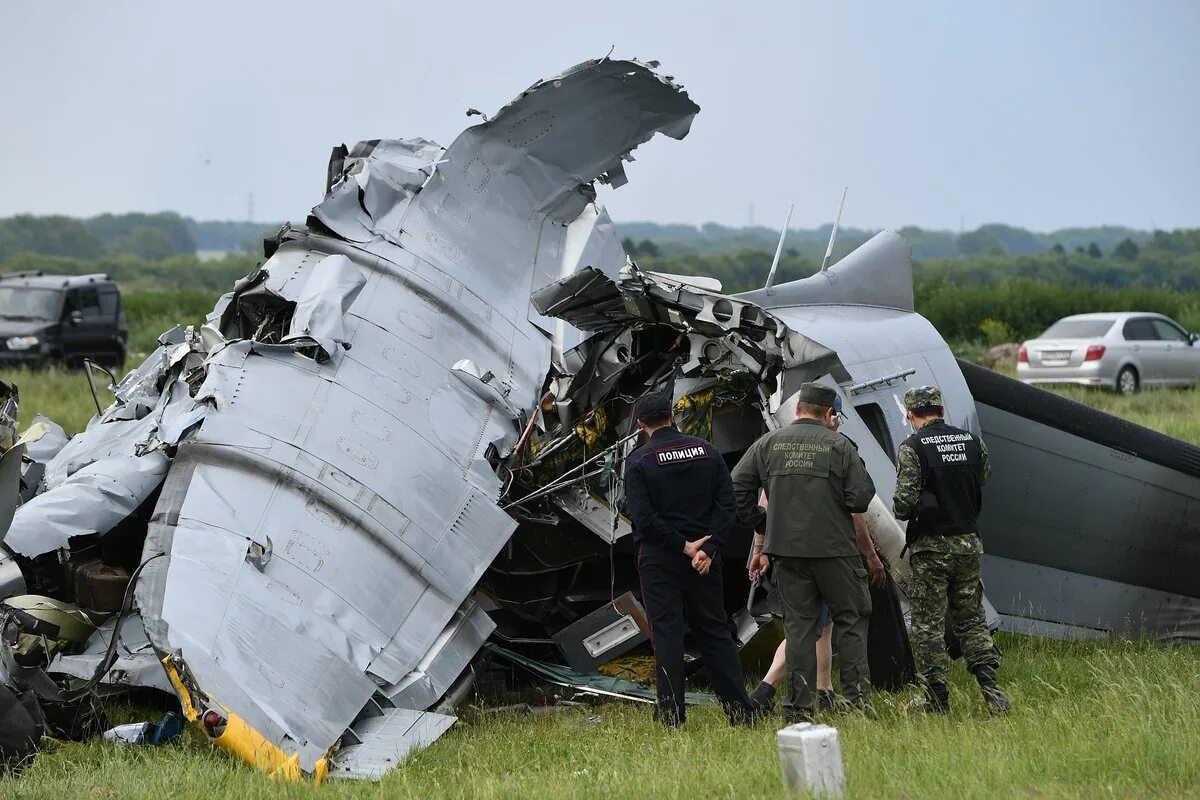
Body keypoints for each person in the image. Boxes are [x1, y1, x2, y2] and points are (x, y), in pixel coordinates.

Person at [731, 382, 883, 721]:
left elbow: (737, 488)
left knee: (799, 627)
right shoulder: (841, 446)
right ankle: (859, 704)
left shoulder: (768, 443)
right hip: (835, 553)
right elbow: (860, 499)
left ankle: (798, 709)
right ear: (829, 413)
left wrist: (763, 524)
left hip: (788, 553)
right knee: (852, 620)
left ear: (799, 408)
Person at [623, 391, 756, 727]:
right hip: (706, 561)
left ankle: (671, 717)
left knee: (667, 634)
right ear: (672, 415)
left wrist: (685, 546)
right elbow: (728, 507)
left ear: (641, 424)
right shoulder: (708, 452)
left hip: (660, 559)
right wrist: (708, 549)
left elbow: (643, 518)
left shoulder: (639, 461)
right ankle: (740, 711)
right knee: (714, 631)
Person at [893, 385, 1011, 714]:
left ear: (911, 415)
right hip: (967, 544)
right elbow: (982, 477)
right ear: (941, 410)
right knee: (971, 620)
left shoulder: (912, 448)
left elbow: (902, 505)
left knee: (928, 625)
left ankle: (935, 698)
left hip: (931, 550)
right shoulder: (973, 443)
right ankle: (992, 691)